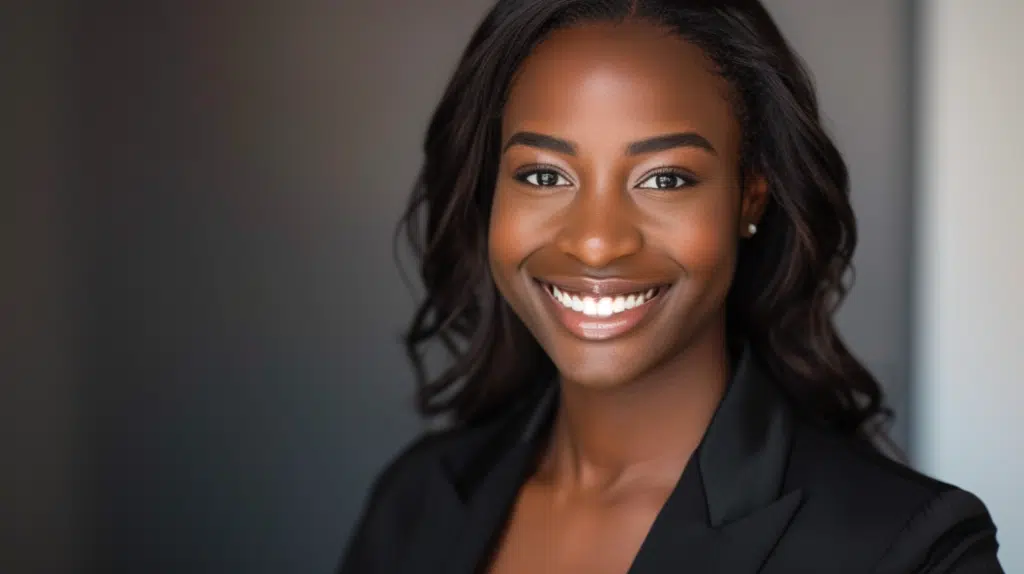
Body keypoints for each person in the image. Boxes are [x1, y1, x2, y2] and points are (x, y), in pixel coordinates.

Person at [338, 1, 1003, 572]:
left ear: (751, 196)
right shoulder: (416, 504)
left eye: (664, 179)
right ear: (489, 192)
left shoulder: (909, 550)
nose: (596, 240)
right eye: (543, 176)